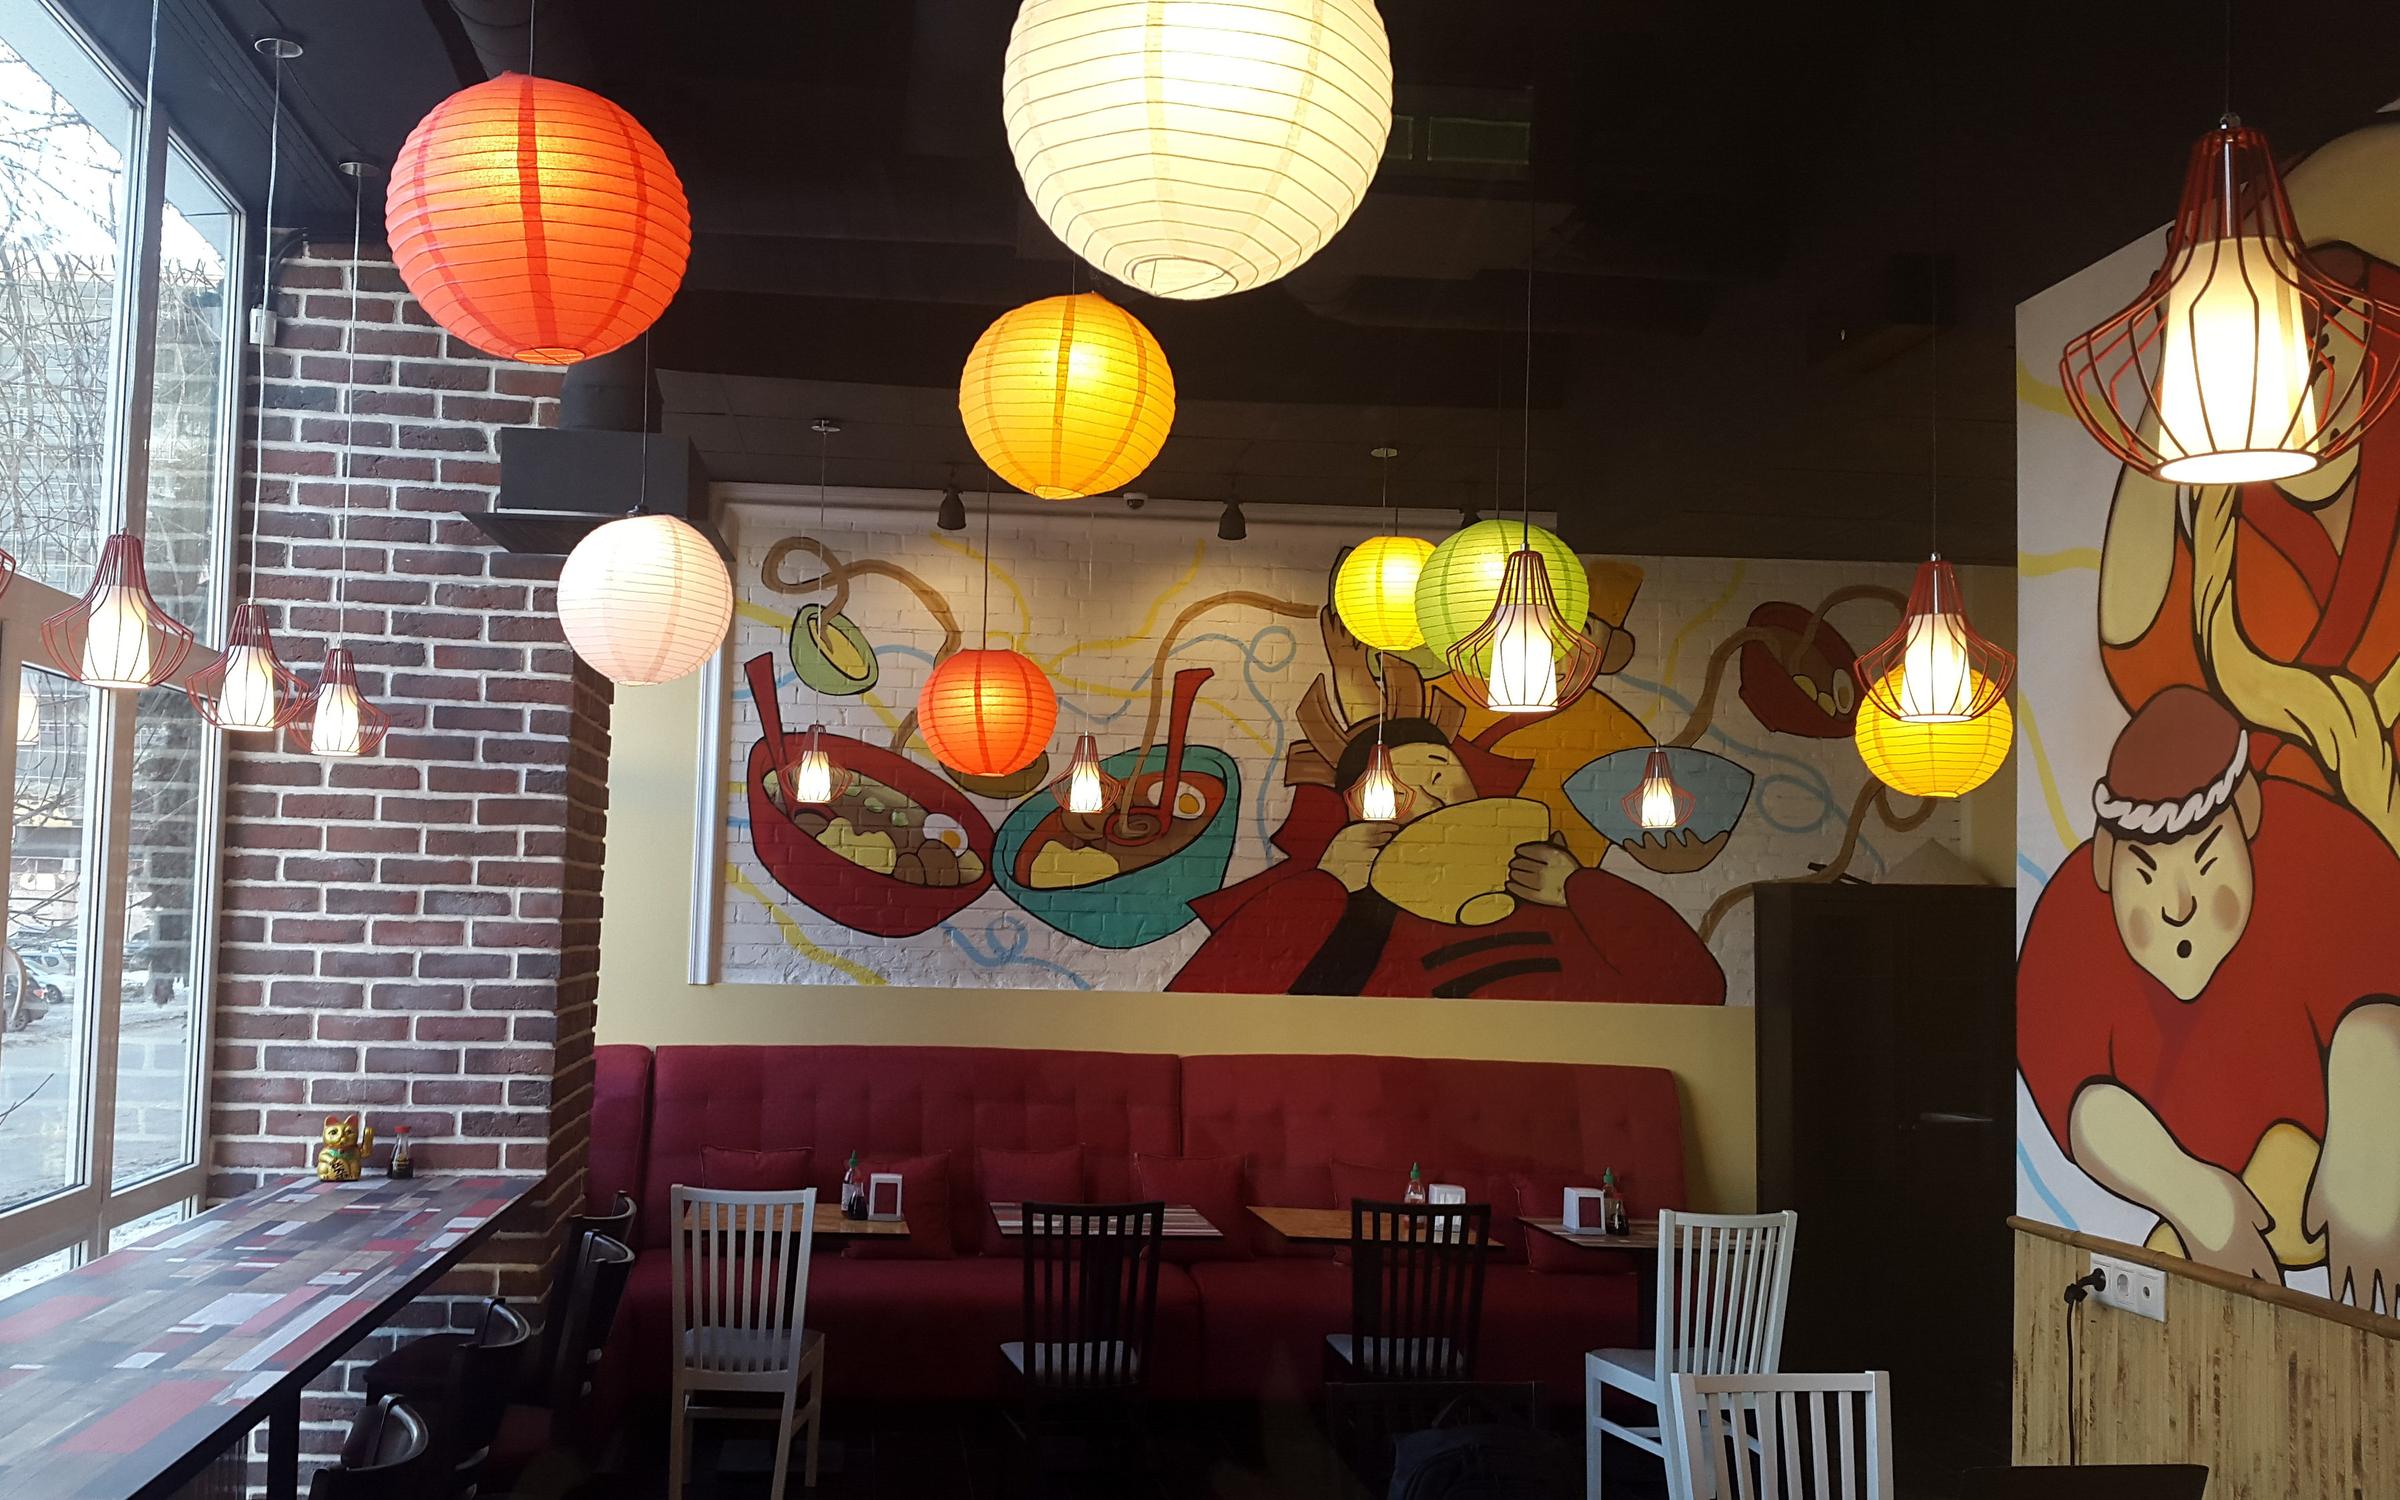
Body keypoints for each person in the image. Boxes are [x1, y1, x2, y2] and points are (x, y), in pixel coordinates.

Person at [2018, 687, 2400, 1306]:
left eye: (2203, 860)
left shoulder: (2312, 845)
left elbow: (2378, 998)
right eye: (2145, 873)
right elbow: (2081, 1100)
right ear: (2106, 861)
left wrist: (2369, 1150)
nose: (2178, 908)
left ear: (2246, 815)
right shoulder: (2070, 920)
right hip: (2206, 1192)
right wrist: (2192, 1196)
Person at [1168, 717, 1724, 1003]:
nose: (1430, 800)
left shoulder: (1553, 890)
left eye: (1439, 774)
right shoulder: (1350, 921)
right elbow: (1201, 1006)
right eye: (1396, 795)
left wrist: (1581, 889)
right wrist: (1325, 886)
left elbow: (1696, 990)